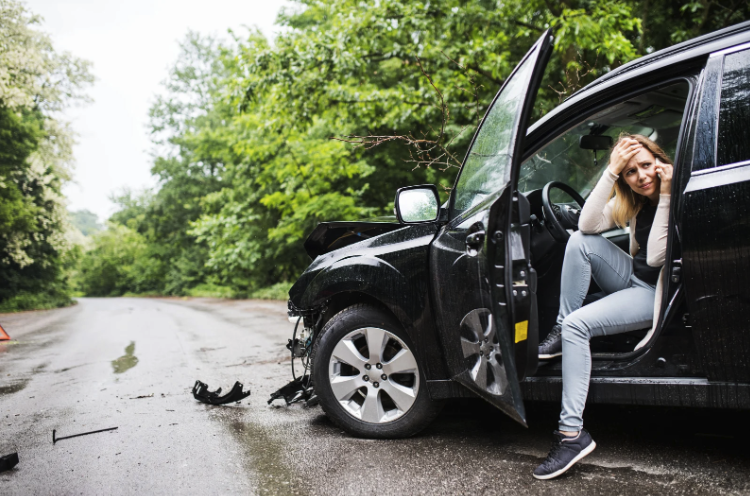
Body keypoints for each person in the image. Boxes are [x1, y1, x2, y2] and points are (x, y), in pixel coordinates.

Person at [533, 134, 673, 480]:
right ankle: (560, 326)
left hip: (656, 292)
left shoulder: (679, 194)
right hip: (633, 278)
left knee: (579, 327)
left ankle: (571, 436)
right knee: (581, 241)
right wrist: (609, 171)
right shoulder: (634, 202)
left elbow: (656, 257)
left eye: (645, 165)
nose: (640, 176)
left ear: (659, 160)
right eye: (630, 172)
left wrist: (667, 193)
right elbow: (586, 225)